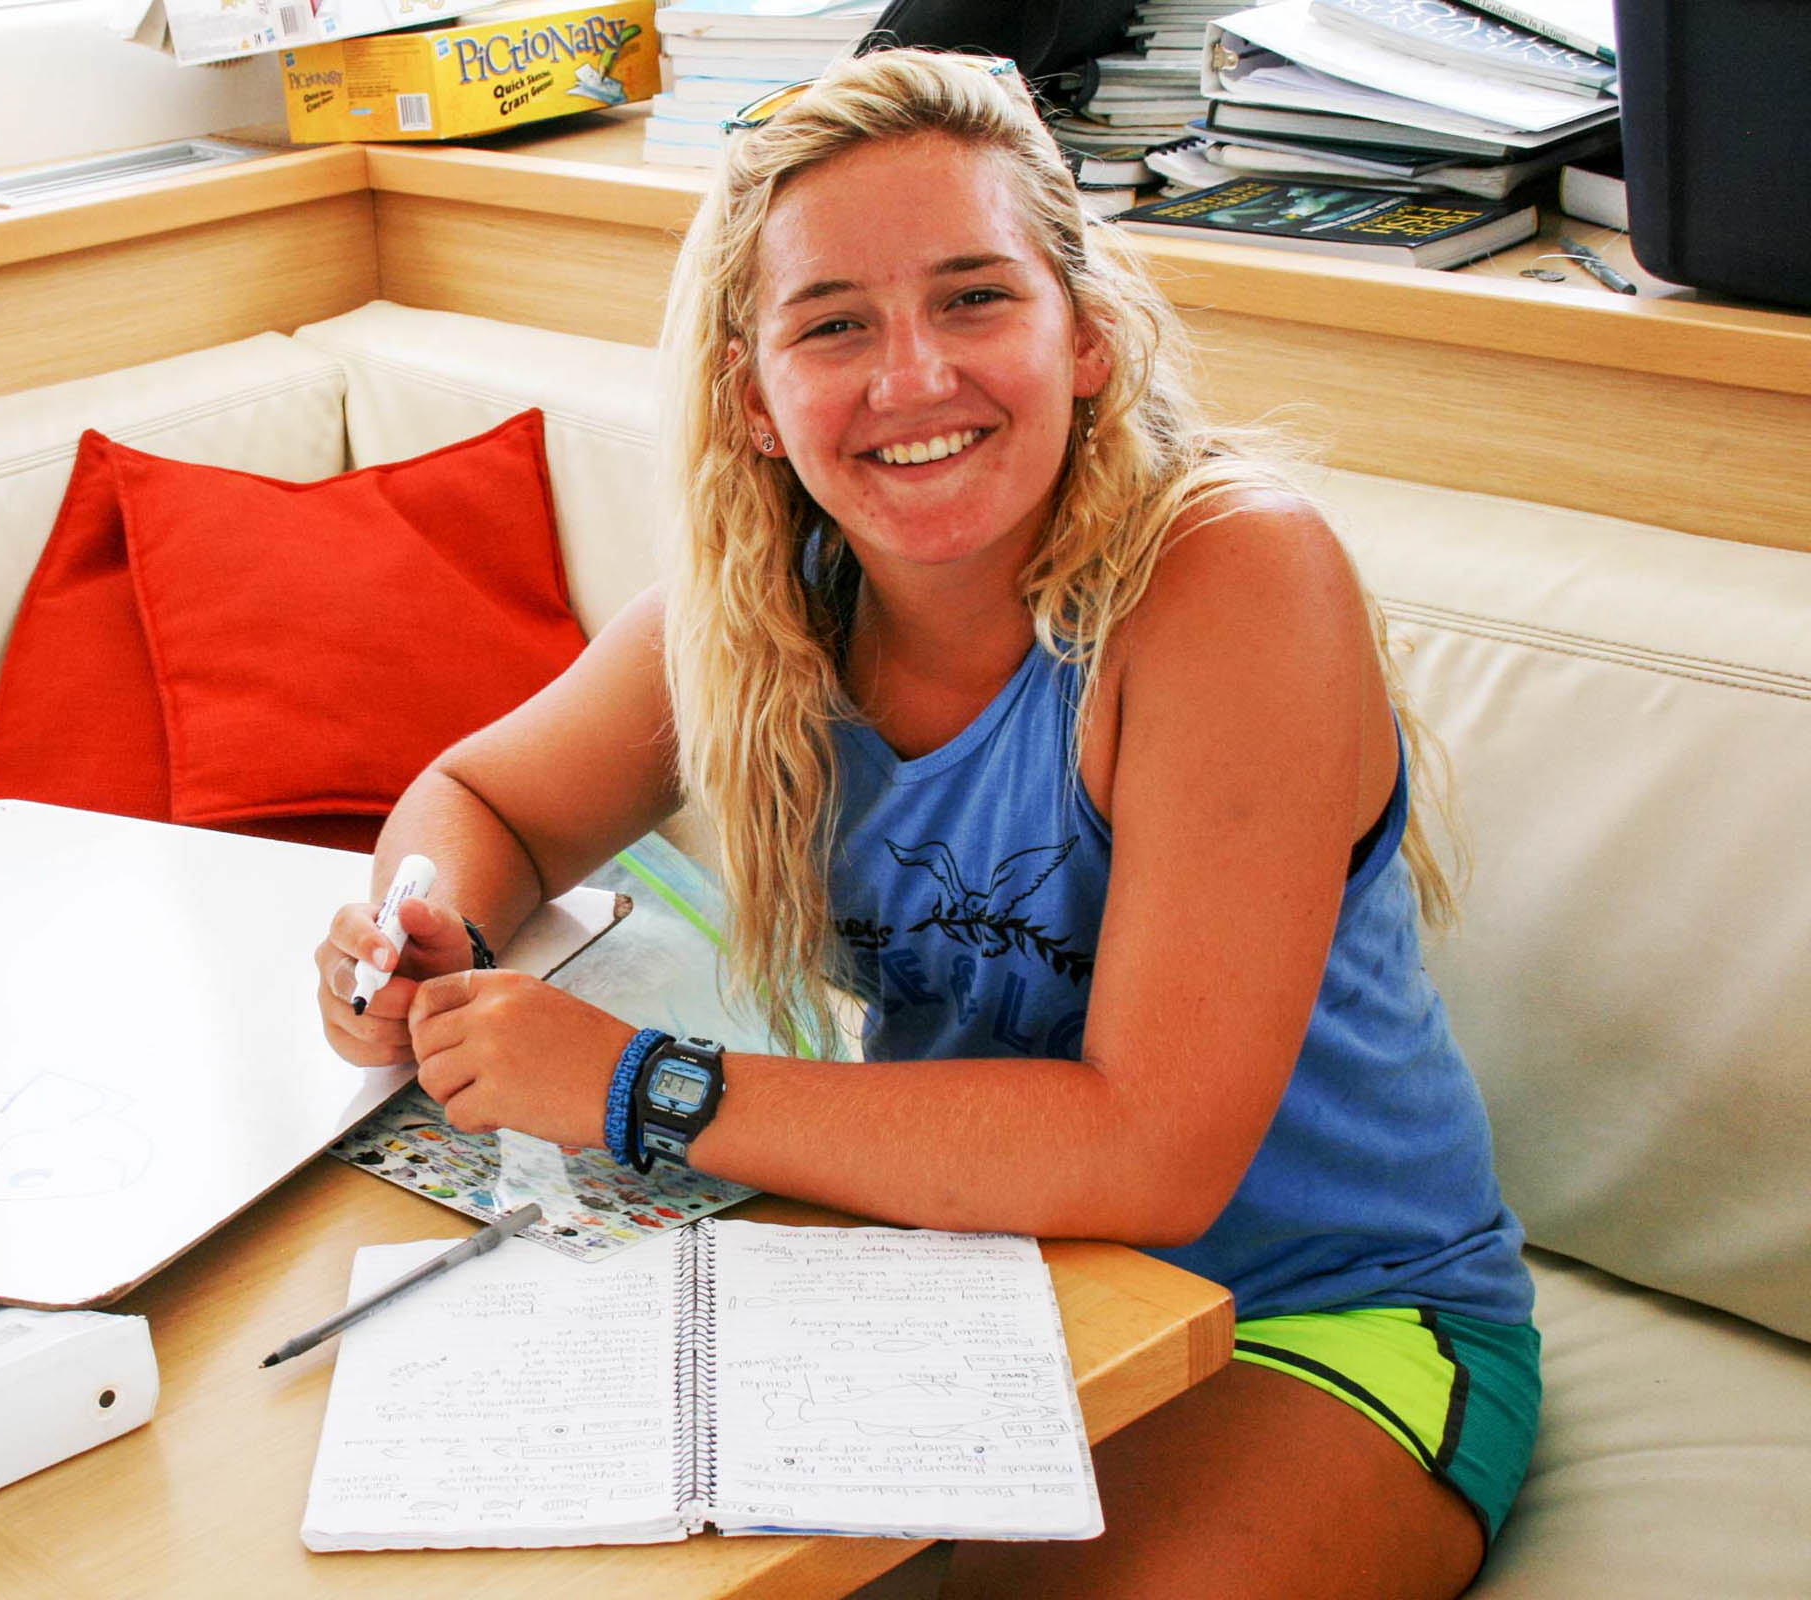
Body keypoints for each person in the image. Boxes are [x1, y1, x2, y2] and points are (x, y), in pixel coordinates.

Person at [312, 48, 1538, 1598]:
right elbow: (481, 797)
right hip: (955, 1296)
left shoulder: (1233, 577)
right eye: (834, 326)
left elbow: (1154, 1155)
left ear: (1085, 337)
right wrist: (421, 931)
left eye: (975, 298)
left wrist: (635, 1085)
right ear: (754, 403)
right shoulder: (750, 618)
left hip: (1328, 1316)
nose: (912, 378)